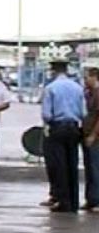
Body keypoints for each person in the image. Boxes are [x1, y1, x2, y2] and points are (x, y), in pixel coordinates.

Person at [41, 59, 85, 213]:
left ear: (53, 71)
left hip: (57, 128)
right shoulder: (78, 88)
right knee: (71, 163)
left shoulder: (50, 88)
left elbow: (47, 114)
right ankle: (74, 201)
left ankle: (62, 200)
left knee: (58, 165)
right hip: (73, 128)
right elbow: (83, 113)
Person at [81, 67, 99, 211]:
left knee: (95, 168)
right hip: (86, 134)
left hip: (95, 138)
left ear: (94, 77)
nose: (85, 80)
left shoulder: (98, 94)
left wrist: (93, 134)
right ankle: (91, 199)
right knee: (89, 168)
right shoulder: (88, 93)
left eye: (87, 77)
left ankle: (96, 199)